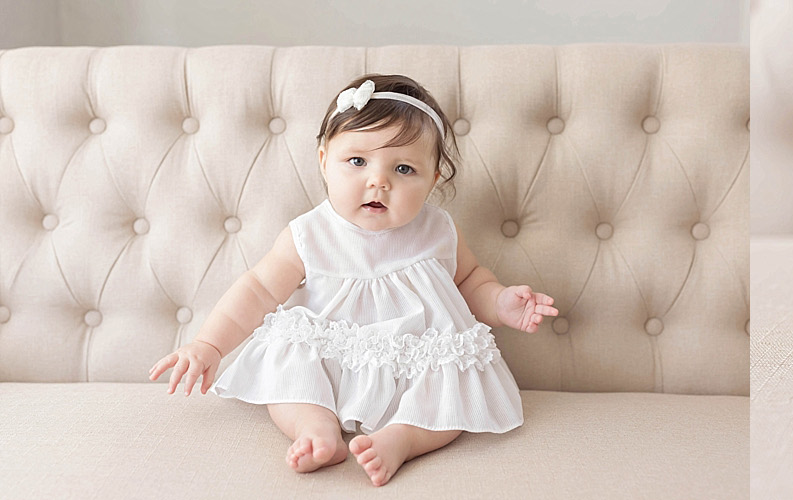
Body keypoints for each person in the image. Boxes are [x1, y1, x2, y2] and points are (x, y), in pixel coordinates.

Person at [148, 75, 558, 486]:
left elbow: (470, 281)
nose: (378, 181)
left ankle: (403, 438)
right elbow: (257, 290)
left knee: (452, 389)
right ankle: (316, 428)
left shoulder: (438, 230)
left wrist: (501, 302)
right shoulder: (310, 234)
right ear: (325, 161)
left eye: (403, 168)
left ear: (433, 179)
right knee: (288, 373)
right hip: (329, 355)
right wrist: (210, 344)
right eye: (357, 161)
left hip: (414, 360)